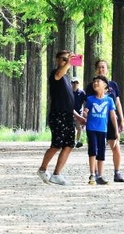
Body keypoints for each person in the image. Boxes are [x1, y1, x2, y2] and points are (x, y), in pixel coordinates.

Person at [37, 49, 78, 186]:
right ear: (58, 60)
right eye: (65, 59)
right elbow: (59, 74)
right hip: (58, 114)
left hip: (68, 115)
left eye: (69, 59)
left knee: (69, 145)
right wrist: (68, 63)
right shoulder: (55, 74)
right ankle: (42, 169)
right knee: (56, 145)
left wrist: (77, 116)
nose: (68, 62)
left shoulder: (66, 78)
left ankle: (57, 174)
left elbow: (68, 100)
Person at [94, 59, 124, 182]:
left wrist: (121, 120)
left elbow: (117, 103)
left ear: (107, 70)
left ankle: (117, 173)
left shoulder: (113, 85)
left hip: (112, 120)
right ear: (96, 69)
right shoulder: (92, 85)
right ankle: (97, 173)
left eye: (103, 67)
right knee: (98, 148)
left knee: (116, 147)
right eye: (99, 67)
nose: (101, 69)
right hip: (98, 120)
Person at [82, 75, 116, 185]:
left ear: (105, 85)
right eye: (94, 82)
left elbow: (112, 116)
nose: (95, 83)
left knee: (101, 152)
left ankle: (100, 176)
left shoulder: (109, 100)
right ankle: (92, 174)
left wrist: (116, 131)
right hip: (91, 128)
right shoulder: (90, 99)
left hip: (103, 129)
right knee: (92, 151)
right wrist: (85, 113)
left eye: (98, 81)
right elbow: (86, 110)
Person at [71, 79, 88, 148]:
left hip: (79, 113)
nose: (75, 84)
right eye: (73, 82)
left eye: (76, 82)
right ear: (71, 83)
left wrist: (86, 110)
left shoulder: (81, 93)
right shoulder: (68, 92)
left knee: (79, 127)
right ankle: (71, 141)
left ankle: (77, 141)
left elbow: (87, 101)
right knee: (71, 128)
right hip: (70, 112)